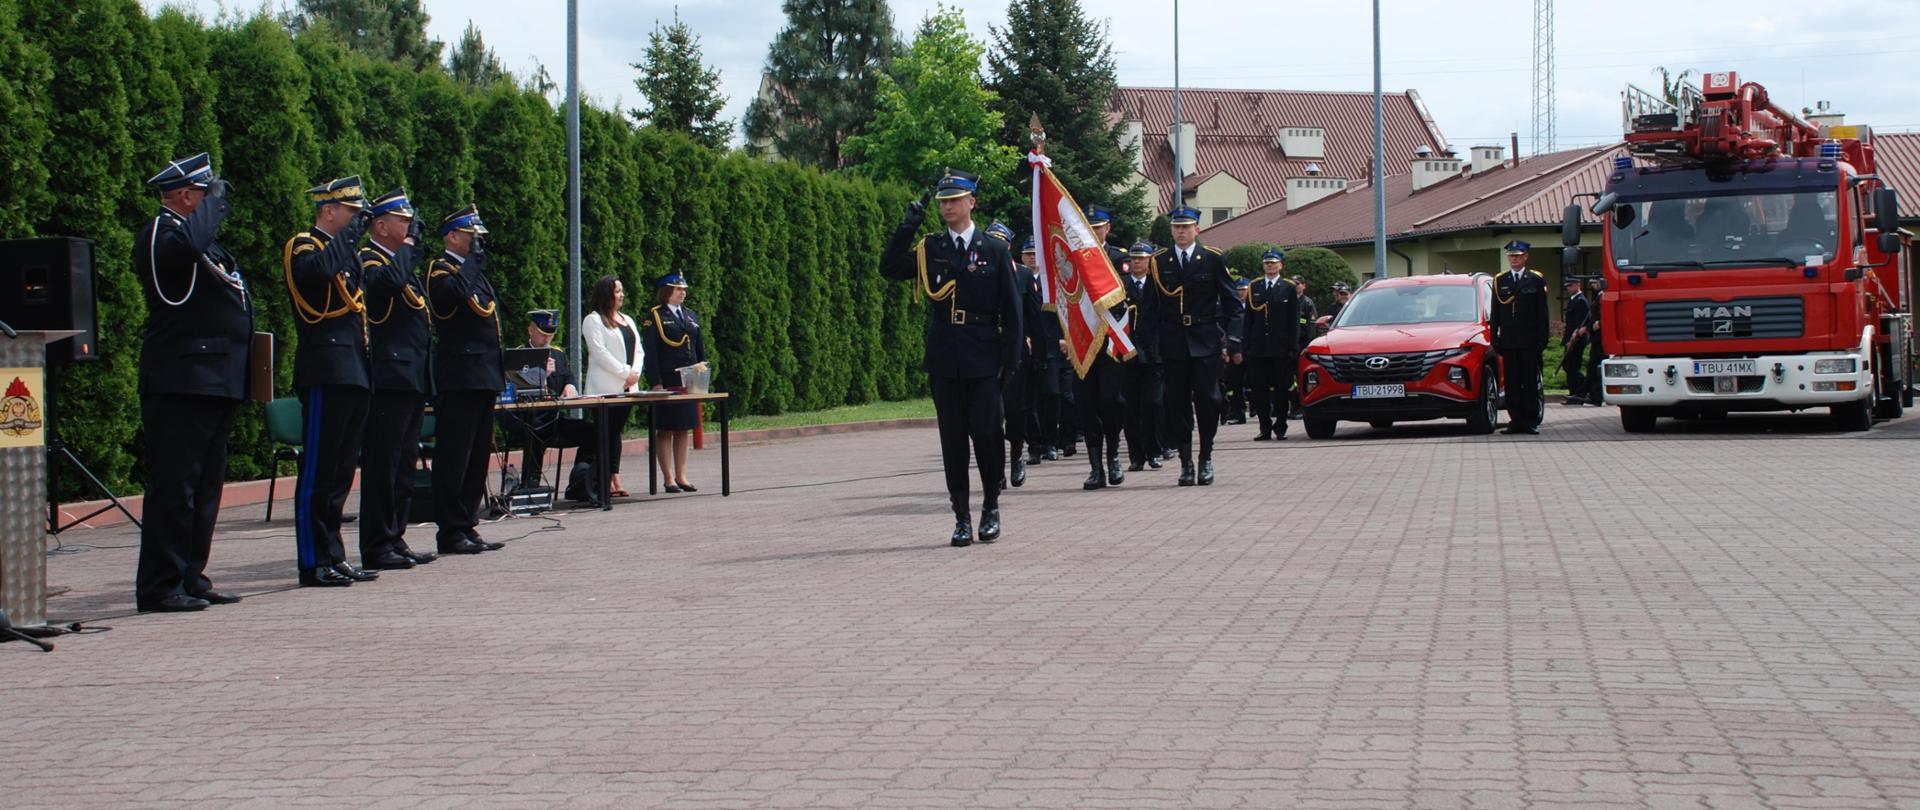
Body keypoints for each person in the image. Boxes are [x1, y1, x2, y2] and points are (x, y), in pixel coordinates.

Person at [879, 169, 1023, 546]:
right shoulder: (931, 249)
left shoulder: (994, 249)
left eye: (955, 200)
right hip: (945, 358)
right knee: (953, 440)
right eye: (943, 201)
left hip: (985, 356)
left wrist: (1010, 363)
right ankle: (961, 516)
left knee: (989, 436)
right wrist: (907, 226)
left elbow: (1012, 310)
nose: (947, 207)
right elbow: (890, 268)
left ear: (971, 202)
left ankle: (990, 505)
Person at [133, 152, 250, 613]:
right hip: (181, 379)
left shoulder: (196, 238)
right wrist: (213, 209)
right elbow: (183, 258)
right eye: (205, 194)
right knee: (175, 487)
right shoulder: (164, 232)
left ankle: (190, 575)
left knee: (205, 487)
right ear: (185, 195)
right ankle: (160, 584)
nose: (212, 203)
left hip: (215, 378)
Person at [283, 176, 378, 588]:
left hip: (353, 367)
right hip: (324, 367)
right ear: (328, 210)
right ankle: (312, 560)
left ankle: (334, 554)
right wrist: (348, 240)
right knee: (318, 471)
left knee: (340, 472)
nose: (358, 221)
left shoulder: (347, 254)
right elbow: (316, 275)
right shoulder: (304, 245)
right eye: (352, 214)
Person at [357, 187, 438, 571]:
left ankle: (396, 535)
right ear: (380, 225)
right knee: (383, 464)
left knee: (405, 463)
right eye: (402, 221)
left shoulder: (399, 260)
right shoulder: (369, 259)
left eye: (410, 221)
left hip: (410, 376)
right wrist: (408, 247)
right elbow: (385, 287)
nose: (409, 228)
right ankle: (377, 542)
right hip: (388, 375)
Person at [426, 205, 505, 554]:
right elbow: (451, 300)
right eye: (472, 237)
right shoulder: (439, 270)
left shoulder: (472, 273)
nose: (478, 244)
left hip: (483, 373)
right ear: (452, 236)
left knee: (476, 456)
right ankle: (450, 529)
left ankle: (467, 522)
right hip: (459, 374)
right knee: (454, 456)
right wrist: (471, 264)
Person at [1146, 206, 1243, 486]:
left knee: (1208, 399)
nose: (1181, 231)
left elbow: (1232, 304)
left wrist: (1233, 339)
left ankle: (1206, 456)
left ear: (1196, 230)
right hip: (1172, 341)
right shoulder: (1159, 261)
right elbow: (1150, 309)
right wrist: (1150, 344)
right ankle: (1186, 462)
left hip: (1204, 339)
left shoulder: (1211, 258)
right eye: (1177, 227)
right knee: (1176, 403)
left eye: (1186, 227)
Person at [503, 308, 589, 490]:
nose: (547, 339)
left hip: (554, 420)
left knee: (594, 432)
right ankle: (530, 487)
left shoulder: (557, 354)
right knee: (534, 434)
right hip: (528, 420)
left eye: (551, 334)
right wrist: (542, 375)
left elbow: (568, 376)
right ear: (531, 330)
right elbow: (515, 389)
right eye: (543, 334)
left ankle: (583, 484)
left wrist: (571, 386)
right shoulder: (519, 355)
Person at [1075, 205, 1131, 489]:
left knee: (1111, 400)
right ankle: (1095, 466)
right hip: (1082, 342)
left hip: (1110, 341)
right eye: (1090, 226)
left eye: (1099, 226)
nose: (1095, 231)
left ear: (1107, 228)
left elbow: (1127, 299)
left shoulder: (1118, 258)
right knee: (1086, 404)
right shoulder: (1073, 258)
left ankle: (1113, 456)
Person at [579, 275, 643, 499]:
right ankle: (602, 479)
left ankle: (614, 476)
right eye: (617, 291)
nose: (622, 295)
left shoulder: (627, 319)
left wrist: (634, 374)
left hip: (627, 388)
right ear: (606, 294)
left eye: (622, 290)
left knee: (616, 434)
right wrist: (626, 373)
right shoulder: (593, 320)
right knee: (604, 433)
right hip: (604, 389)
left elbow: (639, 351)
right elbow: (600, 353)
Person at [987, 224, 1041, 489]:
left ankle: (1017, 453)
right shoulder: (979, 271)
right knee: (990, 415)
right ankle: (996, 470)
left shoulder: (1021, 274)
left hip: (1016, 350)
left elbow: (1033, 315)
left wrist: (1036, 345)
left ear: (1008, 246)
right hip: (987, 350)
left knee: (1016, 411)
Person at [642, 273, 706, 493]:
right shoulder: (656, 316)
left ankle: (682, 475)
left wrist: (701, 375)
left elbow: (699, 348)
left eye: (684, 289)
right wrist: (655, 382)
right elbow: (651, 353)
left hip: (688, 379)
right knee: (666, 429)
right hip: (668, 379)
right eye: (678, 289)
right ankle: (668, 478)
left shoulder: (690, 316)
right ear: (666, 291)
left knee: (683, 428)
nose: (683, 292)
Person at [1241, 248, 1301, 441]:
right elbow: (1248, 320)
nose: (1270, 266)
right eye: (1267, 263)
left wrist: (1293, 347)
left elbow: (1293, 320)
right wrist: (1246, 346)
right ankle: (1264, 427)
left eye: (1274, 263)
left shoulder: (1289, 287)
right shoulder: (1254, 287)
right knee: (1259, 391)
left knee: (1282, 390)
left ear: (1281, 265)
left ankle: (1281, 426)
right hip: (1258, 349)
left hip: (1280, 348)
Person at [1492, 240, 1550, 433]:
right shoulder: (1500, 280)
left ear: (1526, 257)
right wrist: (1495, 338)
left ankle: (1530, 421)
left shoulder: (1535, 279)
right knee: (1512, 383)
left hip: (1530, 341)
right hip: (1509, 342)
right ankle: (1515, 420)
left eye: (1518, 256)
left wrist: (1542, 339)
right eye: (1511, 256)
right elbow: (1496, 313)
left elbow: (1542, 313)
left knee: (1529, 382)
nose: (1514, 259)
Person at [1120, 241, 1164, 471]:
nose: (1137, 262)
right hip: (1128, 354)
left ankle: (1154, 450)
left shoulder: (1158, 286)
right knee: (1131, 408)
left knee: (1153, 404)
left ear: (1149, 261)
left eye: (1141, 258)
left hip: (1153, 353)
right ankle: (1136, 456)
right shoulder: (1121, 285)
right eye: (1134, 258)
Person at [1022, 239, 1066, 465]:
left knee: (1050, 394)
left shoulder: (1052, 282)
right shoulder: (1017, 278)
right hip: (1026, 346)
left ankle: (1051, 441)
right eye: (1028, 254)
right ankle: (1034, 445)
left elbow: (1063, 311)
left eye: (1035, 253)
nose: (1032, 258)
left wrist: (1063, 336)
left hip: (1049, 345)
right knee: (1028, 400)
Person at [1221, 278, 1252, 426]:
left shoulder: (1254, 305)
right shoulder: (1230, 307)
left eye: (1244, 289)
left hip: (1251, 350)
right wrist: (1228, 349)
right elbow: (1225, 329)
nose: (1241, 292)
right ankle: (1237, 413)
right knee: (1234, 384)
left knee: (1257, 383)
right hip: (1235, 350)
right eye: (1238, 289)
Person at [1560, 278, 1591, 405]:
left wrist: (1573, 338)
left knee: (1572, 365)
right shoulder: (1573, 300)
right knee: (1568, 365)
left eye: (1571, 286)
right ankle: (1576, 392)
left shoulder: (1581, 301)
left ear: (1578, 285)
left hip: (1577, 338)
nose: (1568, 288)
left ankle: (1580, 391)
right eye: (1567, 286)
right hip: (1570, 338)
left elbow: (1581, 322)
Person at [1583, 278, 1606, 406]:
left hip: (1602, 337)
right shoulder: (1598, 297)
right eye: (1591, 283)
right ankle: (1593, 395)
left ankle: (1597, 396)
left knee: (1598, 367)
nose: (1592, 285)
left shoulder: (1604, 296)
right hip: (1596, 337)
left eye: (1595, 282)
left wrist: (1600, 323)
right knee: (1592, 367)